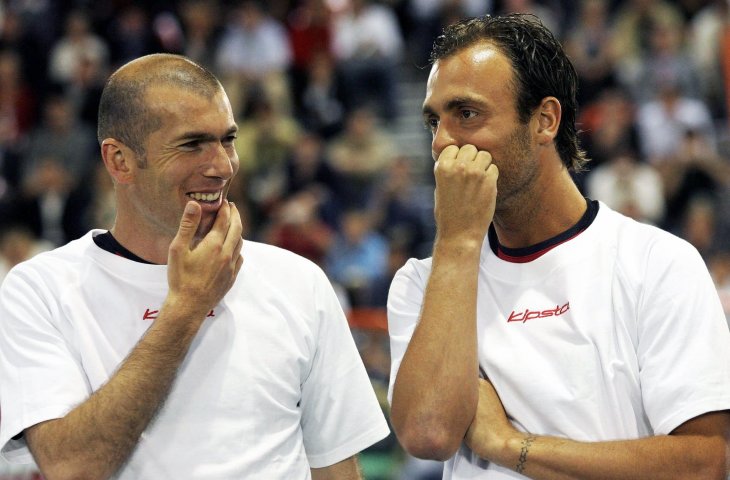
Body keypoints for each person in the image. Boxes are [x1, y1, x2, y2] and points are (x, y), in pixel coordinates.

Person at [0, 53, 389, 480]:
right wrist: (187, 306)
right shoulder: (41, 291)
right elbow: (71, 466)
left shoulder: (301, 282)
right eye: (192, 144)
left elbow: (337, 469)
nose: (222, 166)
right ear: (119, 161)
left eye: (228, 139)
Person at [386, 14, 730, 480]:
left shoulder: (658, 263)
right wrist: (458, 241)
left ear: (545, 120)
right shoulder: (422, 283)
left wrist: (510, 445)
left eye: (466, 114)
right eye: (434, 120)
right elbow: (427, 434)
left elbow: (704, 464)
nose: (442, 142)